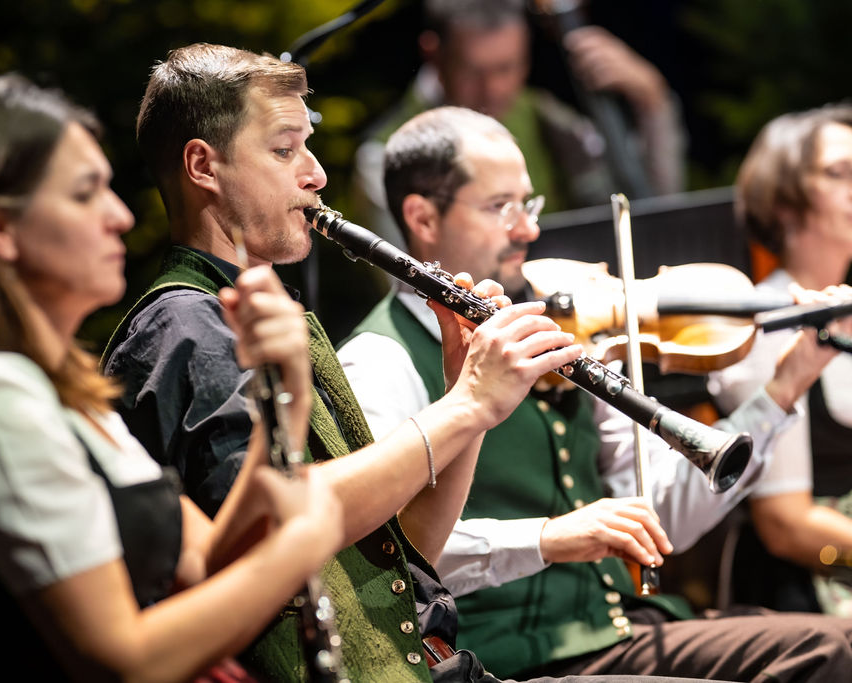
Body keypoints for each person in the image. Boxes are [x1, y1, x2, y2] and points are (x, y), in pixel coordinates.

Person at [103, 42, 728, 683]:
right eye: (285, 150)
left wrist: (466, 400)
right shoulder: (188, 325)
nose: (316, 174)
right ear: (203, 165)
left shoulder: (266, 317)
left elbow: (407, 558)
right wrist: (467, 406)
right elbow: (274, 533)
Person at [338, 104, 852, 681]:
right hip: (506, 657)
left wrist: (785, 387)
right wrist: (546, 538)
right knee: (827, 651)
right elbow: (381, 555)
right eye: (499, 206)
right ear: (423, 218)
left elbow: (666, 517)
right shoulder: (380, 359)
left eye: (528, 204)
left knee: (833, 644)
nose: (528, 229)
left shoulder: (559, 327)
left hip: (622, 629)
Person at [0, 73, 348, 683]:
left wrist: (285, 399)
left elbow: (205, 564)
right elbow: (124, 661)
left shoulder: (66, 396)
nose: (121, 216)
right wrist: (301, 547)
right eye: (85, 194)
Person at [350, 0, 685, 249]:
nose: (493, 89)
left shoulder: (548, 119)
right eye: (473, 71)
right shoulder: (383, 159)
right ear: (433, 54)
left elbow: (647, 213)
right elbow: (409, 287)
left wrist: (653, 103)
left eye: (507, 68)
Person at [708, 104, 852, 615]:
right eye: (839, 172)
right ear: (783, 201)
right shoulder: (766, 328)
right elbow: (786, 525)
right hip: (807, 597)